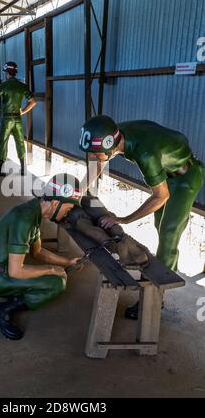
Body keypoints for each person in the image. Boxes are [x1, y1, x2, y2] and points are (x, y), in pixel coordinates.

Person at [79, 115, 205, 319]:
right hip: (166, 172)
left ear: (111, 146)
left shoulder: (144, 153)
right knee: (160, 225)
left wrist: (124, 220)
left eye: (96, 154)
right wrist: (81, 189)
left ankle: (156, 298)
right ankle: (168, 264)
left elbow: (161, 195)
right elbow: (99, 162)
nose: (93, 157)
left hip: (185, 178)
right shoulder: (114, 132)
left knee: (169, 232)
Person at [0, 173, 83, 340]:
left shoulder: (32, 211)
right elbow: (16, 271)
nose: (67, 214)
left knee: (38, 266)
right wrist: (52, 270)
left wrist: (67, 262)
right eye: (67, 209)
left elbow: (38, 252)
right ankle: (4, 309)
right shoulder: (24, 220)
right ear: (55, 203)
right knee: (56, 283)